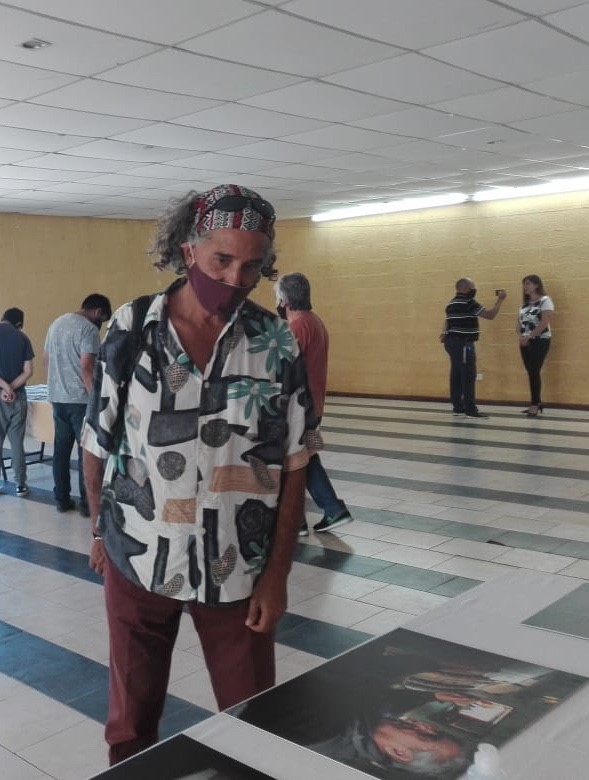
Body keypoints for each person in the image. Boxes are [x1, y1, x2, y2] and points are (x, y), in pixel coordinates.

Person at [81, 184, 315, 765]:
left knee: (254, 722)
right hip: (139, 558)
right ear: (189, 250)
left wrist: (278, 574)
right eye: (222, 260)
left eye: (252, 266)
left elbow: (295, 464)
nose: (236, 278)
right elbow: (96, 441)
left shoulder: (276, 343)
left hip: (238, 568)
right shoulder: (133, 327)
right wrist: (98, 529)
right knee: (130, 722)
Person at [275, 272, 352, 535]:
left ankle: (307, 516)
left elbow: (283, 368)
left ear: (284, 299)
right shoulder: (314, 321)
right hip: (312, 404)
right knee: (304, 458)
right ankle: (329, 510)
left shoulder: (298, 327)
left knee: (293, 460)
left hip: (299, 406)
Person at [44, 293, 112, 515]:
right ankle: (87, 505)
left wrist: (54, 386)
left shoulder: (56, 323)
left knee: (61, 451)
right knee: (87, 453)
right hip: (80, 401)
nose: (101, 324)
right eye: (103, 319)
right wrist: (95, 401)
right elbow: (87, 367)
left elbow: (46, 360)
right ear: (98, 312)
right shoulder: (88, 329)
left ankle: (62, 500)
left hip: (58, 398)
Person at [441, 279, 507, 419]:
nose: (474, 290)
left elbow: (447, 321)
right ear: (465, 288)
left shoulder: (451, 303)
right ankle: (470, 410)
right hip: (464, 343)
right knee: (468, 375)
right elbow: (490, 315)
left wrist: (444, 332)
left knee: (456, 374)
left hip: (451, 342)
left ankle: (458, 407)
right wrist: (500, 300)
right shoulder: (468, 302)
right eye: (472, 288)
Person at [0, 308, 34, 496]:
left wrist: (4, 387)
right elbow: (28, 371)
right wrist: (11, 388)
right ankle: (20, 484)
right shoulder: (23, 338)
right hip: (18, 397)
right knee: (17, 443)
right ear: (19, 324)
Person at [517, 274, 554, 417]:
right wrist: (521, 336)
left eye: (528, 284)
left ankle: (535, 403)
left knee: (534, 370)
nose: (525, 287)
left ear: (536, 285)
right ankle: (537, 402)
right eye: (524, 284)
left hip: (540, 340)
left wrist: (530, 336)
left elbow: (544, 322)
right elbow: (518, 323)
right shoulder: (524, 304)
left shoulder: (545, 300)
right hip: (525, 341)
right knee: (531, 371)